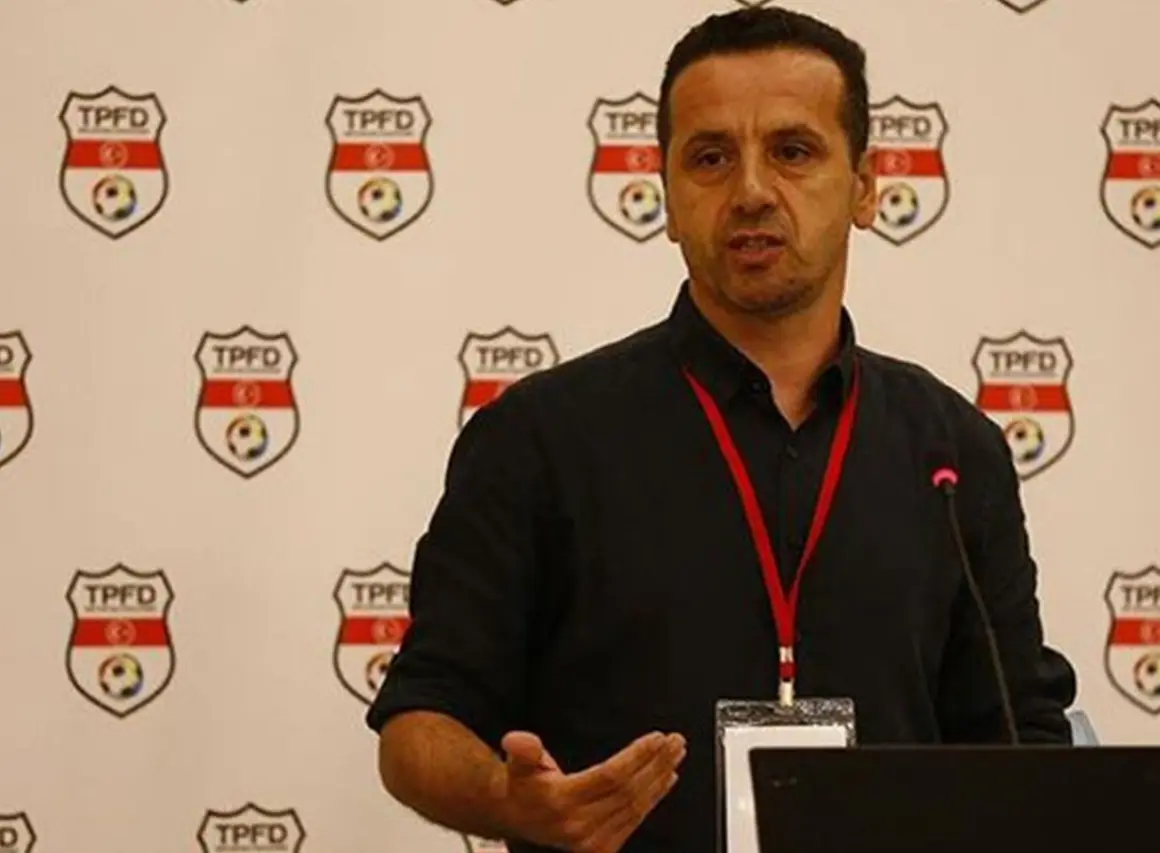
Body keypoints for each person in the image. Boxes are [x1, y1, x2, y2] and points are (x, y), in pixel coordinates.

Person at [367, 6, 1077, 853]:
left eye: (793, 151)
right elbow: (419, 723)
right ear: (666, 196)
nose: (750, 191)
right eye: (709, 157)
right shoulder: (536, 438)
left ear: (864, 187)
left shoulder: (953, 452)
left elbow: (1019, 737)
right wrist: (506, 799)